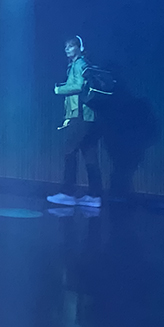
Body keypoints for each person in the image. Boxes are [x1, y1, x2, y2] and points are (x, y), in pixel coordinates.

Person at [47, 36, 102, 208]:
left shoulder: (79, 64)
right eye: (66, 47)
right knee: (89, 154)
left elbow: (78, 86)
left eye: (71, 46)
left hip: (80, 115)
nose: (67, 49)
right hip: (88, 116)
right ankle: (94, 196)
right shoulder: (80, 64)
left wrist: (59, 89)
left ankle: (67, 192)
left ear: (79, 47)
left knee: (69, 150)